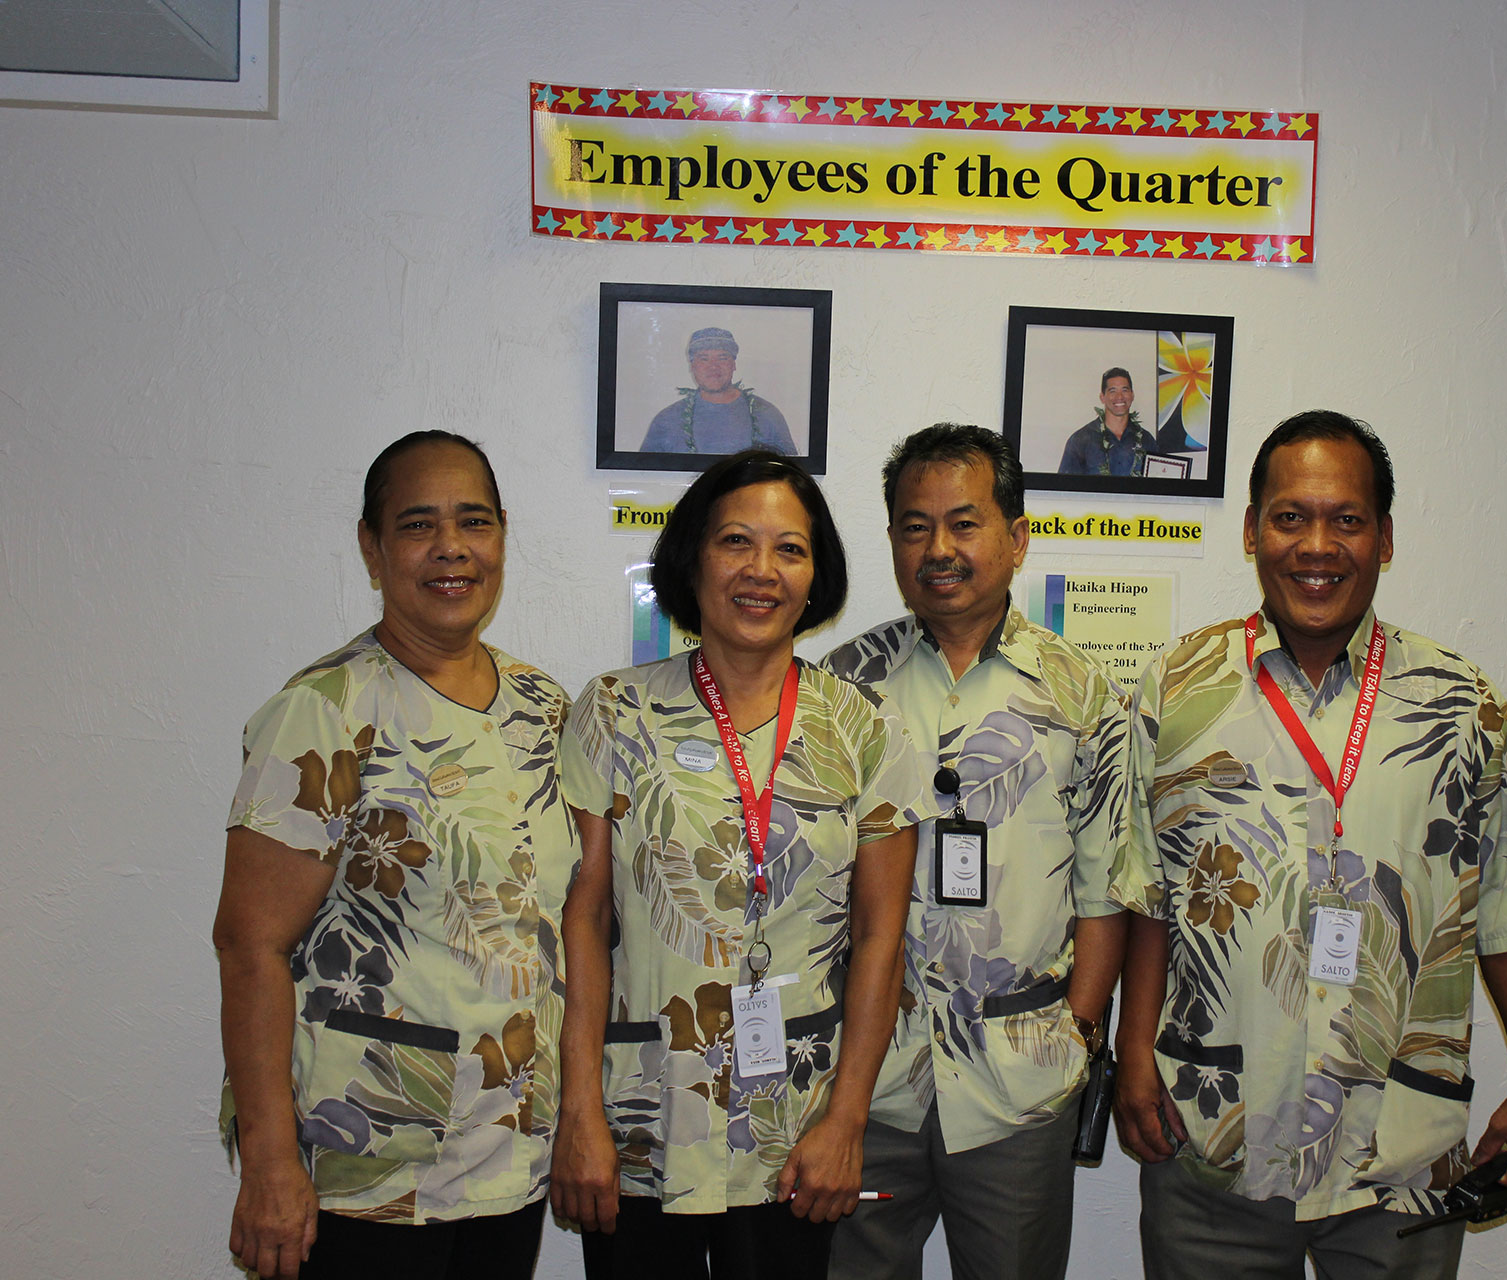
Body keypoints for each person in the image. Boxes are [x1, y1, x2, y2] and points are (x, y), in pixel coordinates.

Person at [1112, 411, 1507, 1280]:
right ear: (1251, 531)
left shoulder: (1462, 706)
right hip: (1217, 1135)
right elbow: (1148, 899)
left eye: (1346, 520)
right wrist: (1133, 1057)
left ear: (1385, 538)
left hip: (1399, 1155)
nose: (1316, 546)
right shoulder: (1175, 688)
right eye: (1290, 517)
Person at [212, 430, 588, 1280]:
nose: (451, 548)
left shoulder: (542, 706)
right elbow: (250, 945)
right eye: (419, 525)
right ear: (372, 548)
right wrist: (271, 1163)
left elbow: (560, 919)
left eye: (475, 522)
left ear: (500, 537)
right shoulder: (324, 712)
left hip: (510, 1150)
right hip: (370, 1158)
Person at [553, 450, 931, 1278]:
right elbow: (581, 920)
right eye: (736, 542)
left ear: (816, 573)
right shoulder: (614, 712)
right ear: (693, 559)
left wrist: (847, 1122)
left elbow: (880, 937)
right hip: (639, 1112)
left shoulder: (866, 727)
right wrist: (578, 1110)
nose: (763, 571)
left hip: (795, 1123)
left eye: (790, 549)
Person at [823, 424, 1137, 1280]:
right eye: (915, 527)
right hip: (868, 1086)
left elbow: (1107, 888)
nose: (939, 549)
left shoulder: (1085, 696)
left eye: (964, 523)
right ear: (891, 540)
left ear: (1018, 535)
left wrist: (1076, 1032)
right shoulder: (839, 686)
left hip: (1017, 1090)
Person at [640, 326, 799, 456]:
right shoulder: (666, 421)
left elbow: (790, 476)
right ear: (692, 366)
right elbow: (646, 479)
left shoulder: (767, 415)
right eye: (704, 358)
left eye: (722, 357)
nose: (713, 366)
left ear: (733, 364)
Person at [1057, 367, 1160, 476]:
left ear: (1132, 395)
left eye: (1125, 390)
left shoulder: (1147, 441)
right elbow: (1066, 487)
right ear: (1102, 397)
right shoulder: (1080, 441)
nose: (1119, 397)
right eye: (1112, 391)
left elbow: (1159, 485)